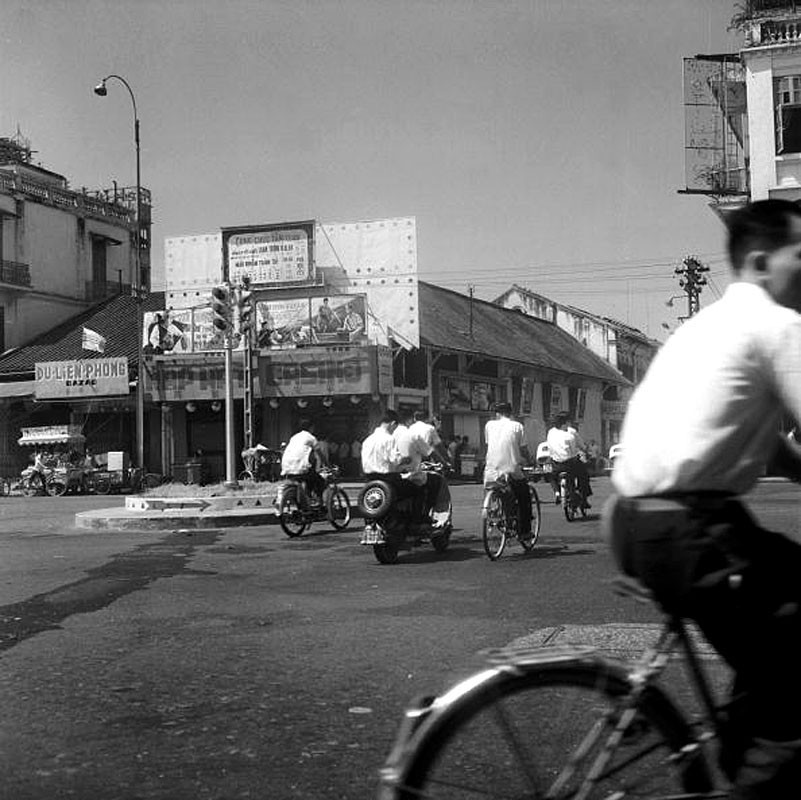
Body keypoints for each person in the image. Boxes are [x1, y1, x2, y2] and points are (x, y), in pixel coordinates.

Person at [603, 199, 801, 799]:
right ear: (763, 261)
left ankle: (744, 742)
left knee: (784, 602)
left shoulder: (701, 328)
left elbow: (761, 444)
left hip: (636, 523)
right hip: (694, 528)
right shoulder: (778, 326)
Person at [483, 402, 533, 538]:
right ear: (511, 413)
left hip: (491, 470)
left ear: (497, 413)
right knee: (524, 497)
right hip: (511, 469)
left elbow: (490, 445)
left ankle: (494, 510)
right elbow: (523, 449)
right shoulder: (517, 426)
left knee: (498, 490)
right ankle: (525, 531)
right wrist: (529, 460)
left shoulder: (489, 425)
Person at [546, 412, 592, 508]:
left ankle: (557, 493)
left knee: (551, 476)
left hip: (556, 464)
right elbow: (575, 452)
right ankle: (583, 497)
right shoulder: (570, 434)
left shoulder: (550, 432)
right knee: (583, 475)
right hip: (570, 464)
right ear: (566, 422)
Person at [360, 410, 412, 495]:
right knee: (414, 488)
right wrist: (406, 459)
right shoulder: (389, 439)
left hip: (368, 479)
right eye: (395, 427)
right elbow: (395, 460)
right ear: (393, 423)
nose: (394, 430)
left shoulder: (367, 440)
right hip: (387, 479)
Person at [280, 418, 328, 506]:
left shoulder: (294, 437)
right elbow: (320, 454)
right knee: (319, 481)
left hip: (286, 467)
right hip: (301, 467)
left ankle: (306, 500)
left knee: (308, 478)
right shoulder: (311, 438)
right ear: (311, 428)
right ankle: (318, 502)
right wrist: (327, 465)